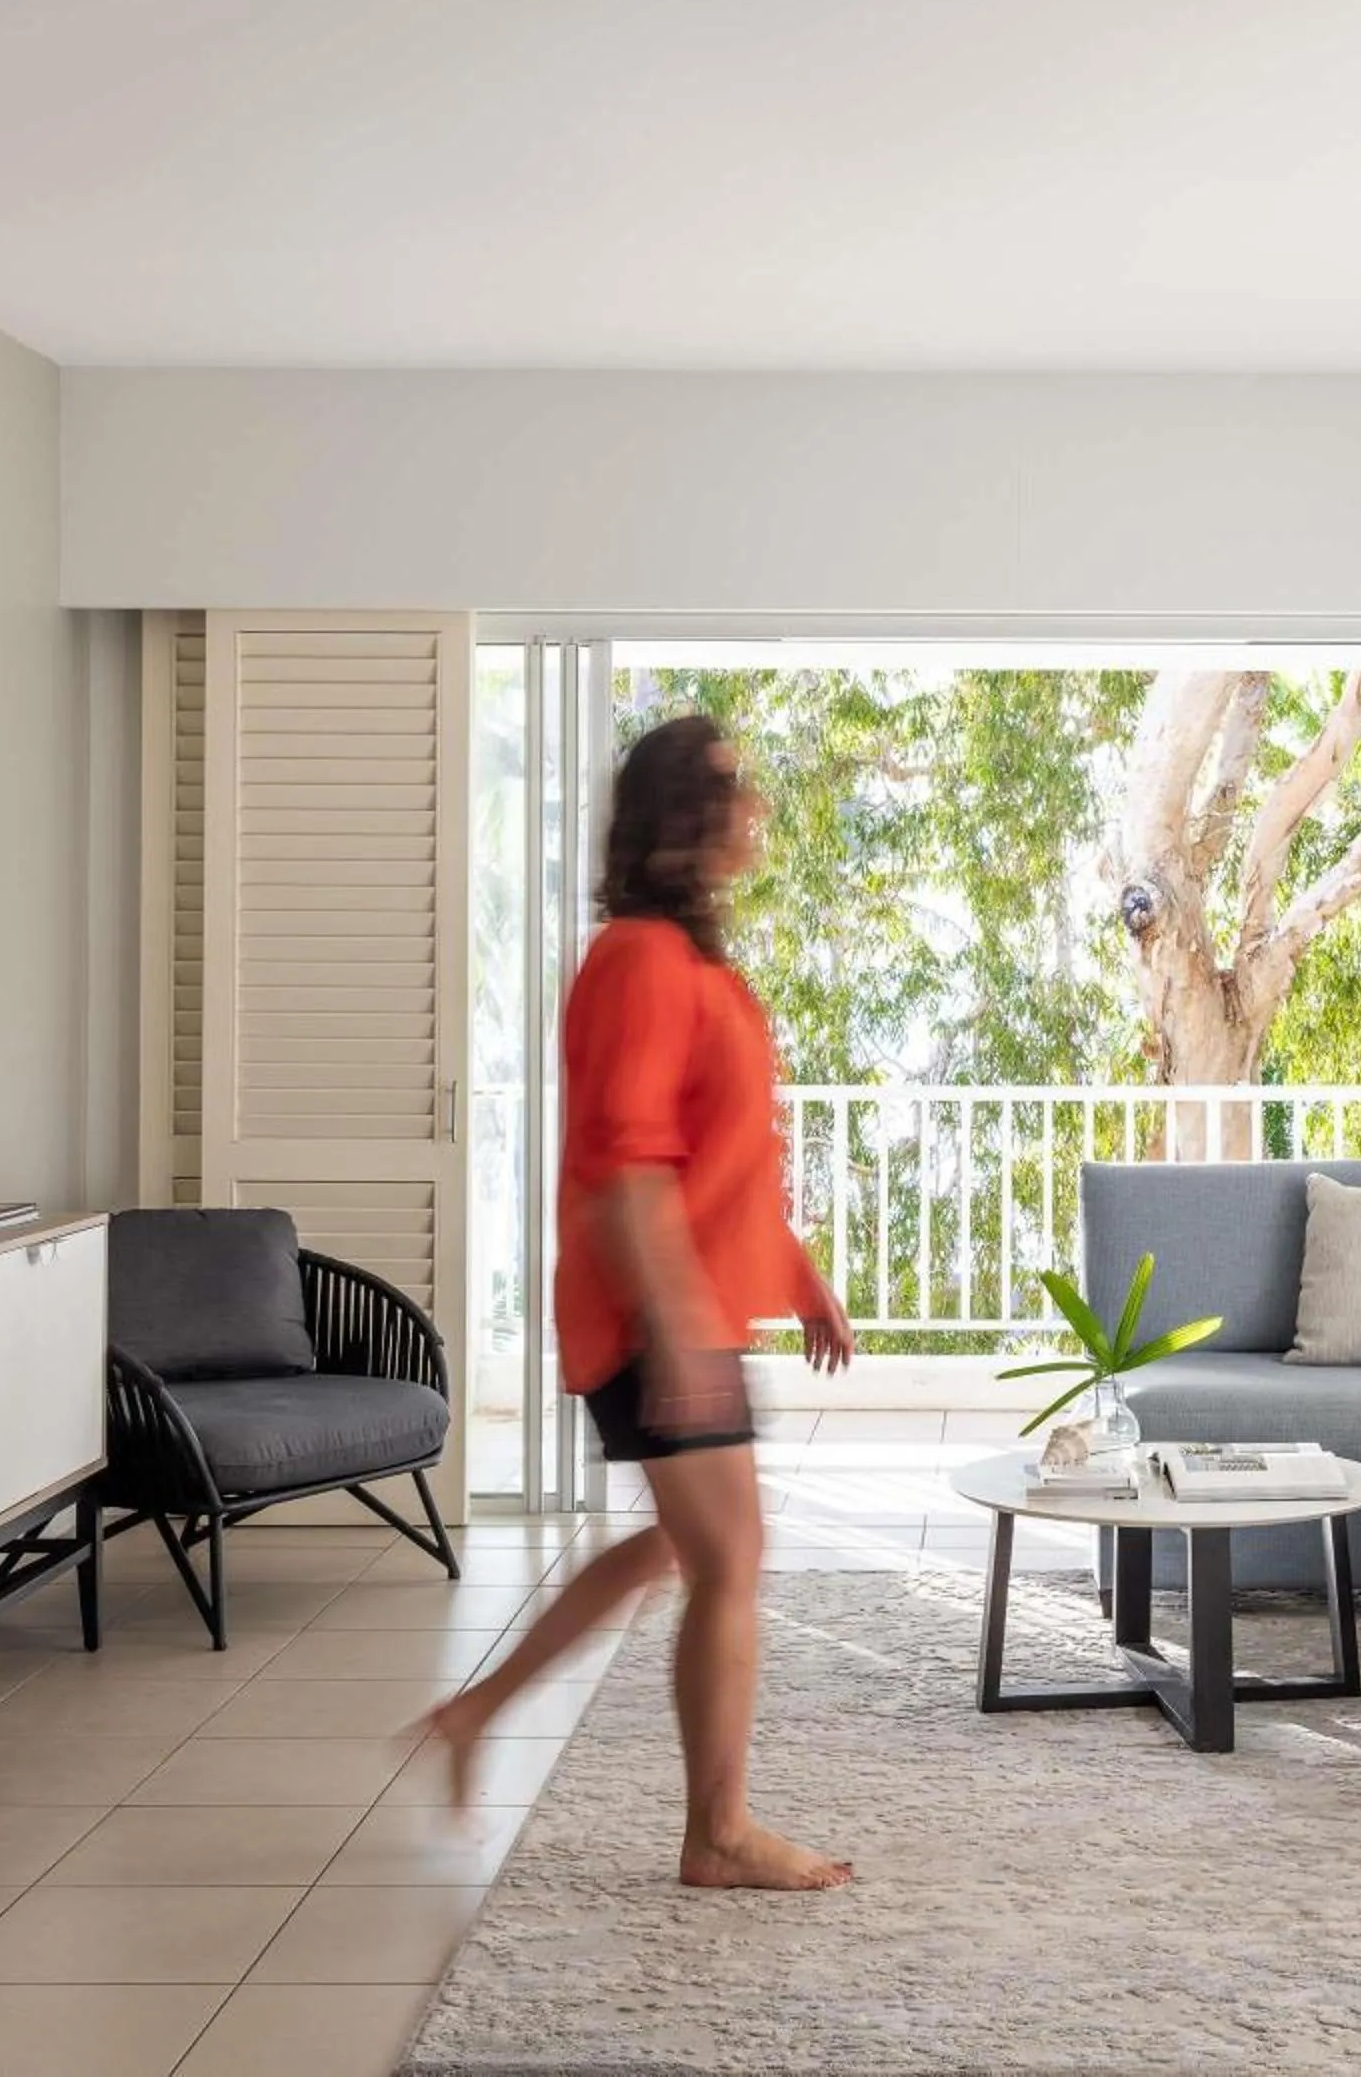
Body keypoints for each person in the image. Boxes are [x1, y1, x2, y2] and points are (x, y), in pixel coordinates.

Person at [423, 714, 855, 1892]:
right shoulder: (640, 962)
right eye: (734, 788)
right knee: (729, 1558)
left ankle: (474, 1714)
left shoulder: (690, 962)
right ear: (684, 817)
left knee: (681, 1547)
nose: (754, 807)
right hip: (655, 1321)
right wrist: (676, 1337)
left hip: (687, 1311)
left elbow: (724, 1163)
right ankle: (719, 1833)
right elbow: (628, 1170)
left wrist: (799, 1276)